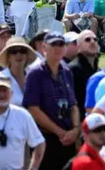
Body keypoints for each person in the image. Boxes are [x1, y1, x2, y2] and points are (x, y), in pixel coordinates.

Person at [23, 31, 80, 169]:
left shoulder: (66, 71)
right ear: (44, 47)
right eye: (53, 44)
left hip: (67, 140)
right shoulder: (35, 74)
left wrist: (75, 130)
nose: (58, 47)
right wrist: (60, 132)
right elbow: (33, 109)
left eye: (61, 44)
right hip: (45, 139)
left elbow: (73, 105)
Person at [68, 30, 100, 119]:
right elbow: (72, 102)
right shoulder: (73, 69)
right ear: (78, 46)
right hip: (81, 122)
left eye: (95, 39)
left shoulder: (98, 70)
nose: (92, 42)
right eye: (87, 40)